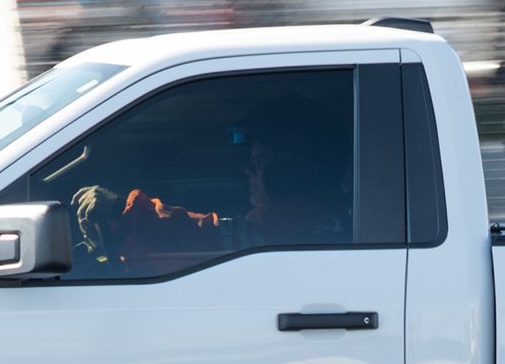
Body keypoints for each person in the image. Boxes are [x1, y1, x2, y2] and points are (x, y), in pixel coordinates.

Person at [66, 99, 350, 273]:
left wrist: (122, 211)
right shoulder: (329, 218)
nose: (248, 172)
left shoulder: (289, 225)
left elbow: (203, 235)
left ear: (291, 169)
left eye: (259, 162)